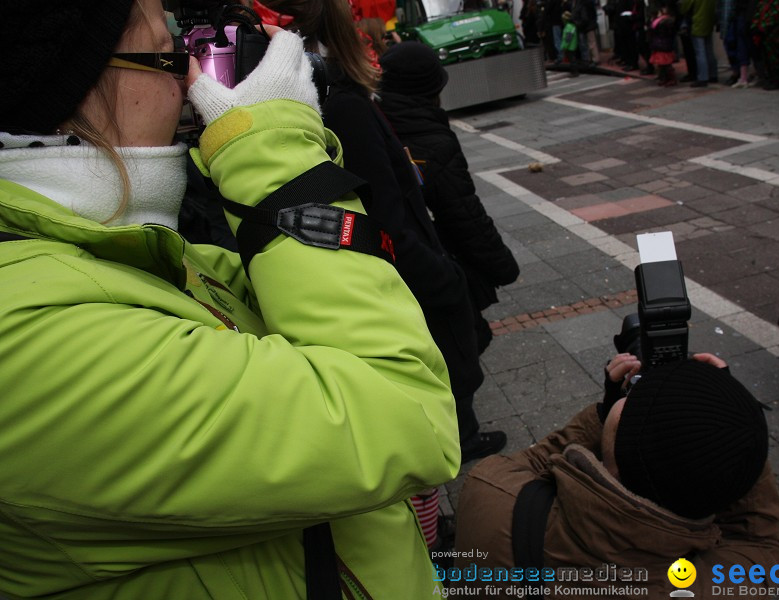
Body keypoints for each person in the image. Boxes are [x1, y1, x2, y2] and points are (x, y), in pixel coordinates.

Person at [0, 1, 462, 598]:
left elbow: (316, 318)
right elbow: (408, 416)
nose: (190, 72)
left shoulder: (118, 257)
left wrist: (257, 156)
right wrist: (273, 150)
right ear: (76, 89)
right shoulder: (28, 343)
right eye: (169, 53)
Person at [256, 0, 507, 462]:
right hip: (410, 272)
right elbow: (386, 213)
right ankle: (451, 450)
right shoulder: (345, 103)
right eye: (354, 19)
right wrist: (443, 278)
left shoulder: (335, 95)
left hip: (396, 264)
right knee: (441, 371)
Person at [452, 355, 779, 599]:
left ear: (618, 452)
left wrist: (601, 415)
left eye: (630, 402)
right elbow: (759, 539)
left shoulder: (489, 494)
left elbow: (537, 459)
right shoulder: (727, 586)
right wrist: (735, 424)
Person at [377, 42, 521, 355]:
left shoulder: (376, 124)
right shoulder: (431, 139)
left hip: (387, 272)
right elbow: (463, 215)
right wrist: (504, 267)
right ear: (430, 89)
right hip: (428, 270)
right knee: (459, 365)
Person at [680, 0, 718, 86]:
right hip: (708, 22)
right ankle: (713, 74)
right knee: (709, 50)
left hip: (697, 23)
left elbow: (684, 8)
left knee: (700, 52)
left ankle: (703, 77)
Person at [648, 3, 678, 86]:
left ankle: (670, 78)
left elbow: (662, 32)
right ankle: (664, 78)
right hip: (659, 44)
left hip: (663, 44)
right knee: (661, 63)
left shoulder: (666, 21)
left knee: (666, 63)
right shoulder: (659, 20)